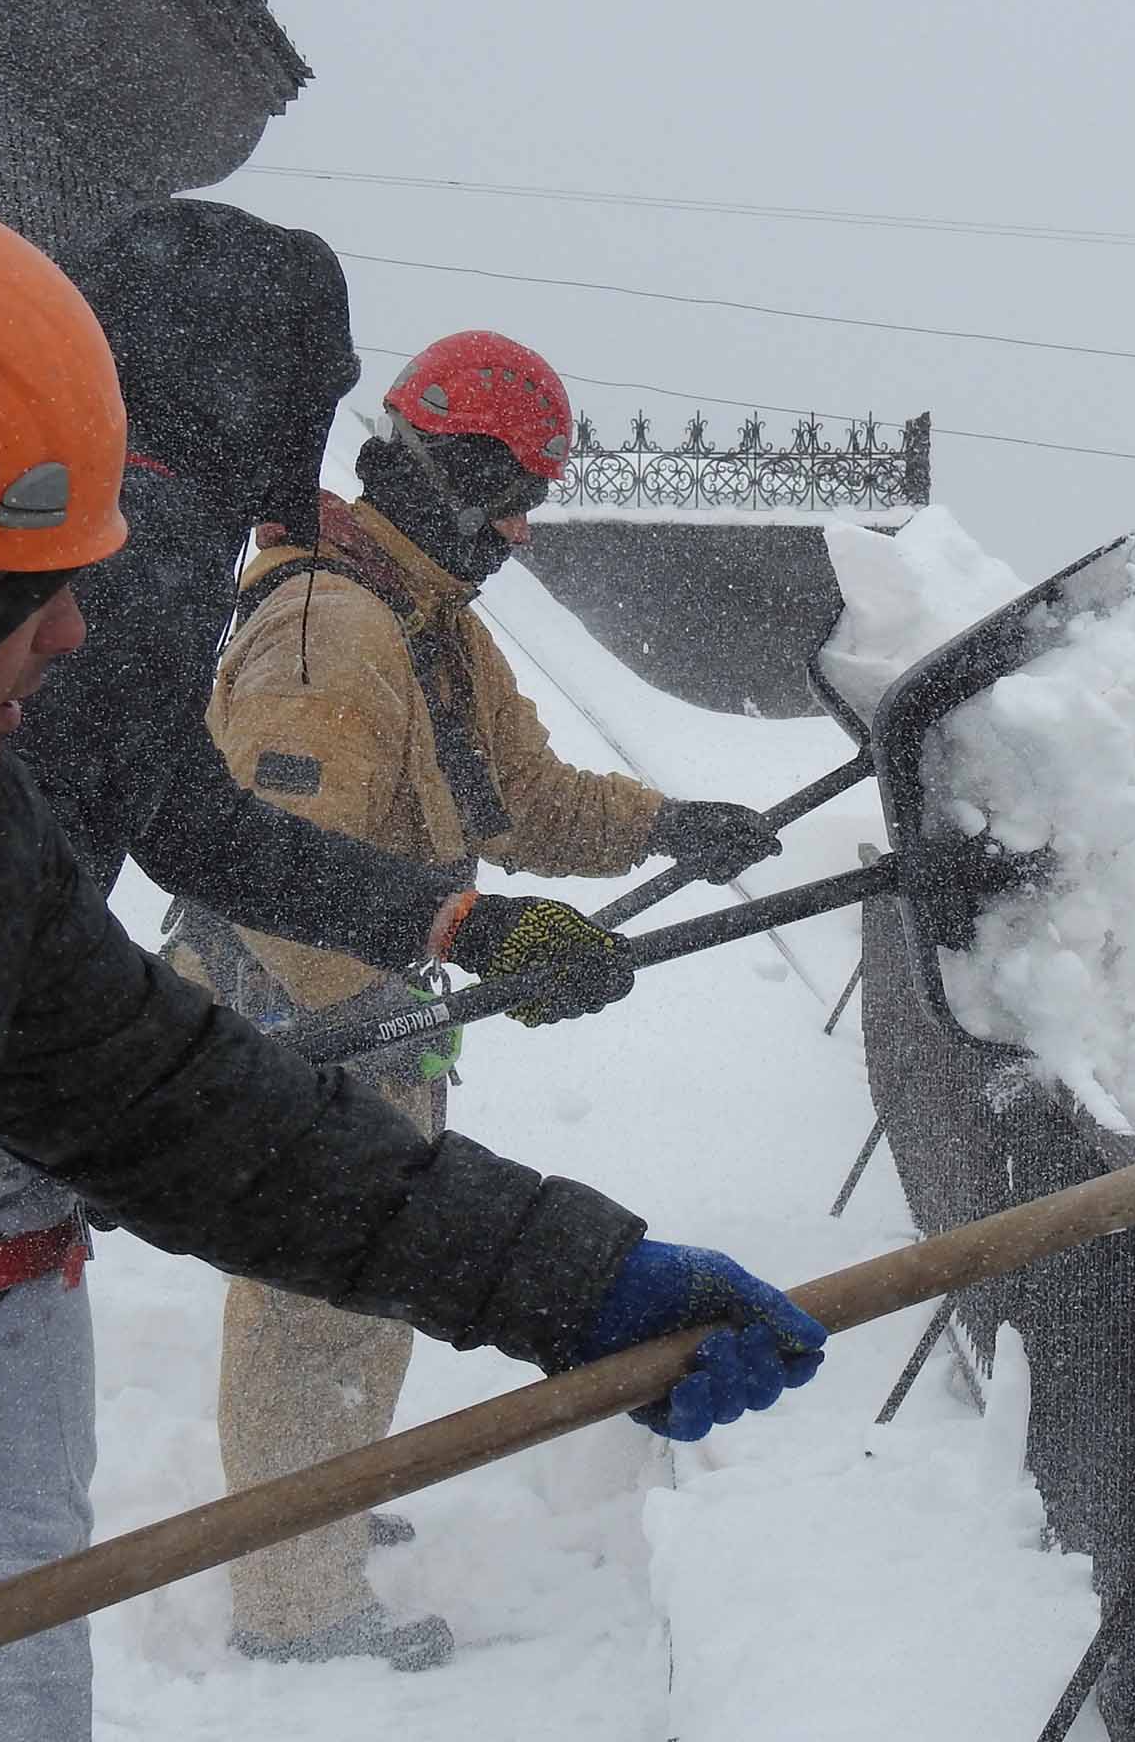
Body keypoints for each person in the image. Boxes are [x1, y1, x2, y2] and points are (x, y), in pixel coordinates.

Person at [0, 189, 823, 1742]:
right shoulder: (312, 631)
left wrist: (576, 1281)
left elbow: (193, 1103)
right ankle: (294, 1596)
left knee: (21, 1556)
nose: (80, 642)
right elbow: (240, 850)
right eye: (36, 581)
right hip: (198, 1079)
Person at [186, 324, 784, 1671]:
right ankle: (291, 1604)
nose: (520, 532)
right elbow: (283, 889)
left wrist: (665, 823)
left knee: (371, 1274)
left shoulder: (429, 629)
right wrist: (446, 966)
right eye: (507, 496)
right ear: (437, 470)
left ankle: (329, 1500)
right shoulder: (324, 638)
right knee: (307, 1301)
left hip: (382, 1018)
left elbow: (527, 797)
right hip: (298, 1023)